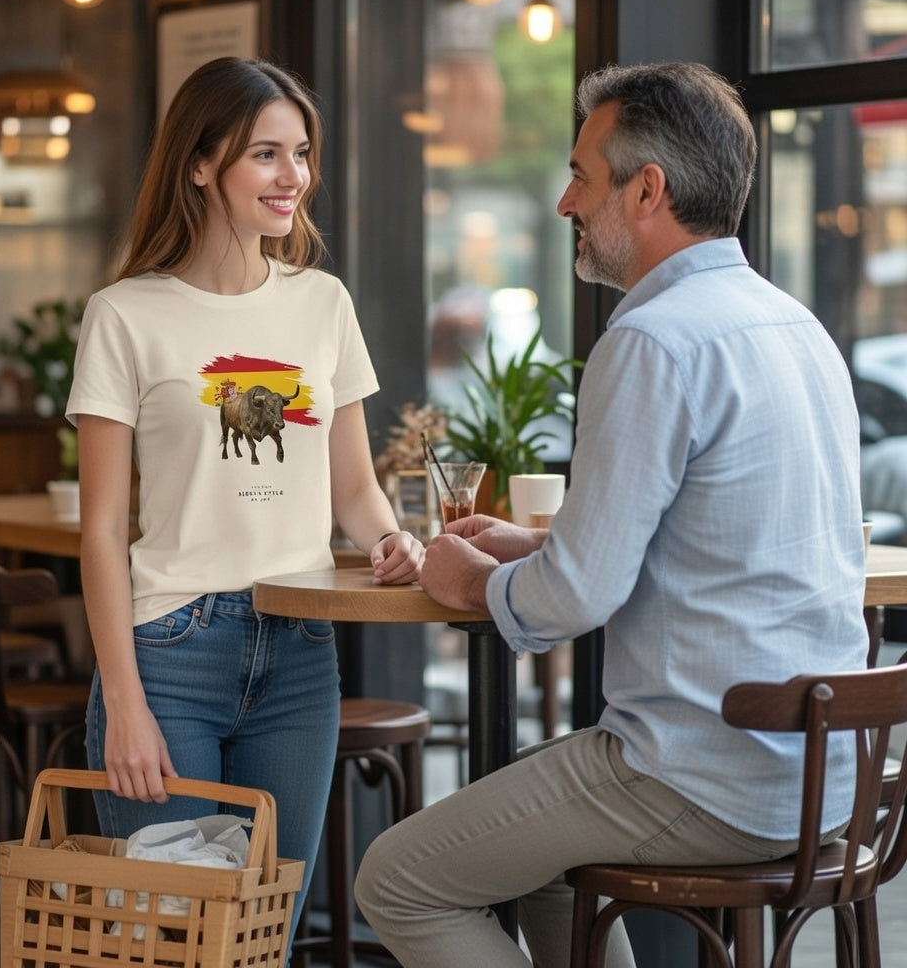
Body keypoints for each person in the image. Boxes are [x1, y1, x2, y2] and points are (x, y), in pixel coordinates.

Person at [354, 61, 869, 967]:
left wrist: (472, 581)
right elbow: (709, 533)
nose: (565, 203)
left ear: (647, 190)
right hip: (817, 779)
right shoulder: (796, 326)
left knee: (397, 879)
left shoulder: (651, 338)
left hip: (699, 774)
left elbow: (574, 600)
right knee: (534, 851)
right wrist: (539, 542)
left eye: (580, 177)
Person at [65, 57, 424, 934]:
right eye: (266, 154)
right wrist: (125, 704)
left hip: (300, 650)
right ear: (200, 164)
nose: (292, 175)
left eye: (300, 153)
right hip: (170, 654)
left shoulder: (324, 304)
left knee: (267, 936)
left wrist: (391, 539)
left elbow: (354, 490)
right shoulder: (124, 315)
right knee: (177, 940)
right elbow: (102, 531)